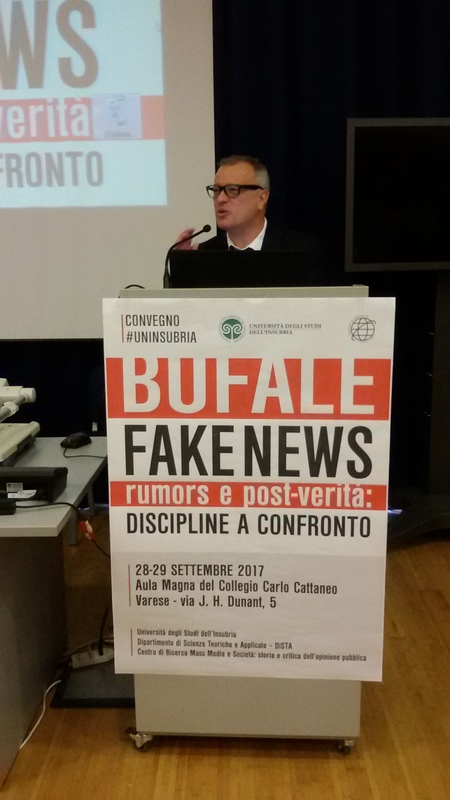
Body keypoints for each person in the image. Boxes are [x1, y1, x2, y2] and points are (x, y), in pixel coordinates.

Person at [176, 154, 326, 284]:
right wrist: (183, 267)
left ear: (261, 198)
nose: (220, 199)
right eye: (216, 190)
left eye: (232, 190)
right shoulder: (202, 255)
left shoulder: (301, 249)